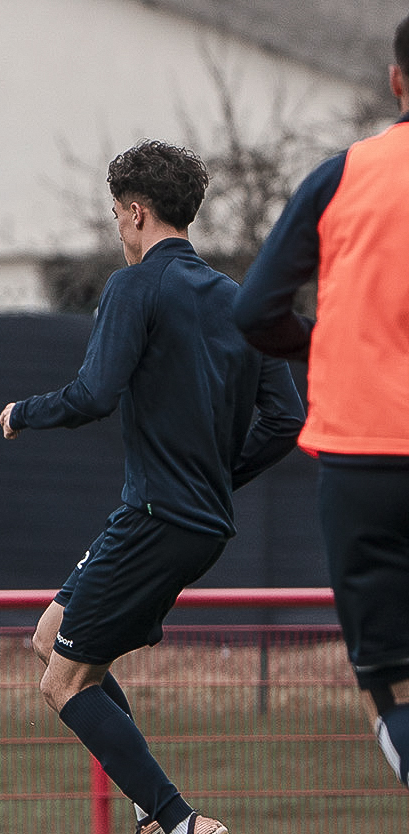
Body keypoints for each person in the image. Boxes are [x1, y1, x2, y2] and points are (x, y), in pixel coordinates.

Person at [0, 142, 304, 834]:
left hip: (155, 515)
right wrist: (218, 475)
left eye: (116, 215)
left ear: (136, 210)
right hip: (193, 520)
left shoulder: (136, 285)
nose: (118, 229)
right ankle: (151, 820)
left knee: (61, 683)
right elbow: (288, 418)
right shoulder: (239, 300)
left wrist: (23, 413)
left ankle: (180, 822)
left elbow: (98, 391)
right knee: (53, 634)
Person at [234, 14, 409, 790]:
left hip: (368, 454)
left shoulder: (347, 175)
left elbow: (254, 311)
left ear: (397, 80)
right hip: (365, 445)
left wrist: (326, 341)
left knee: (390, 678)